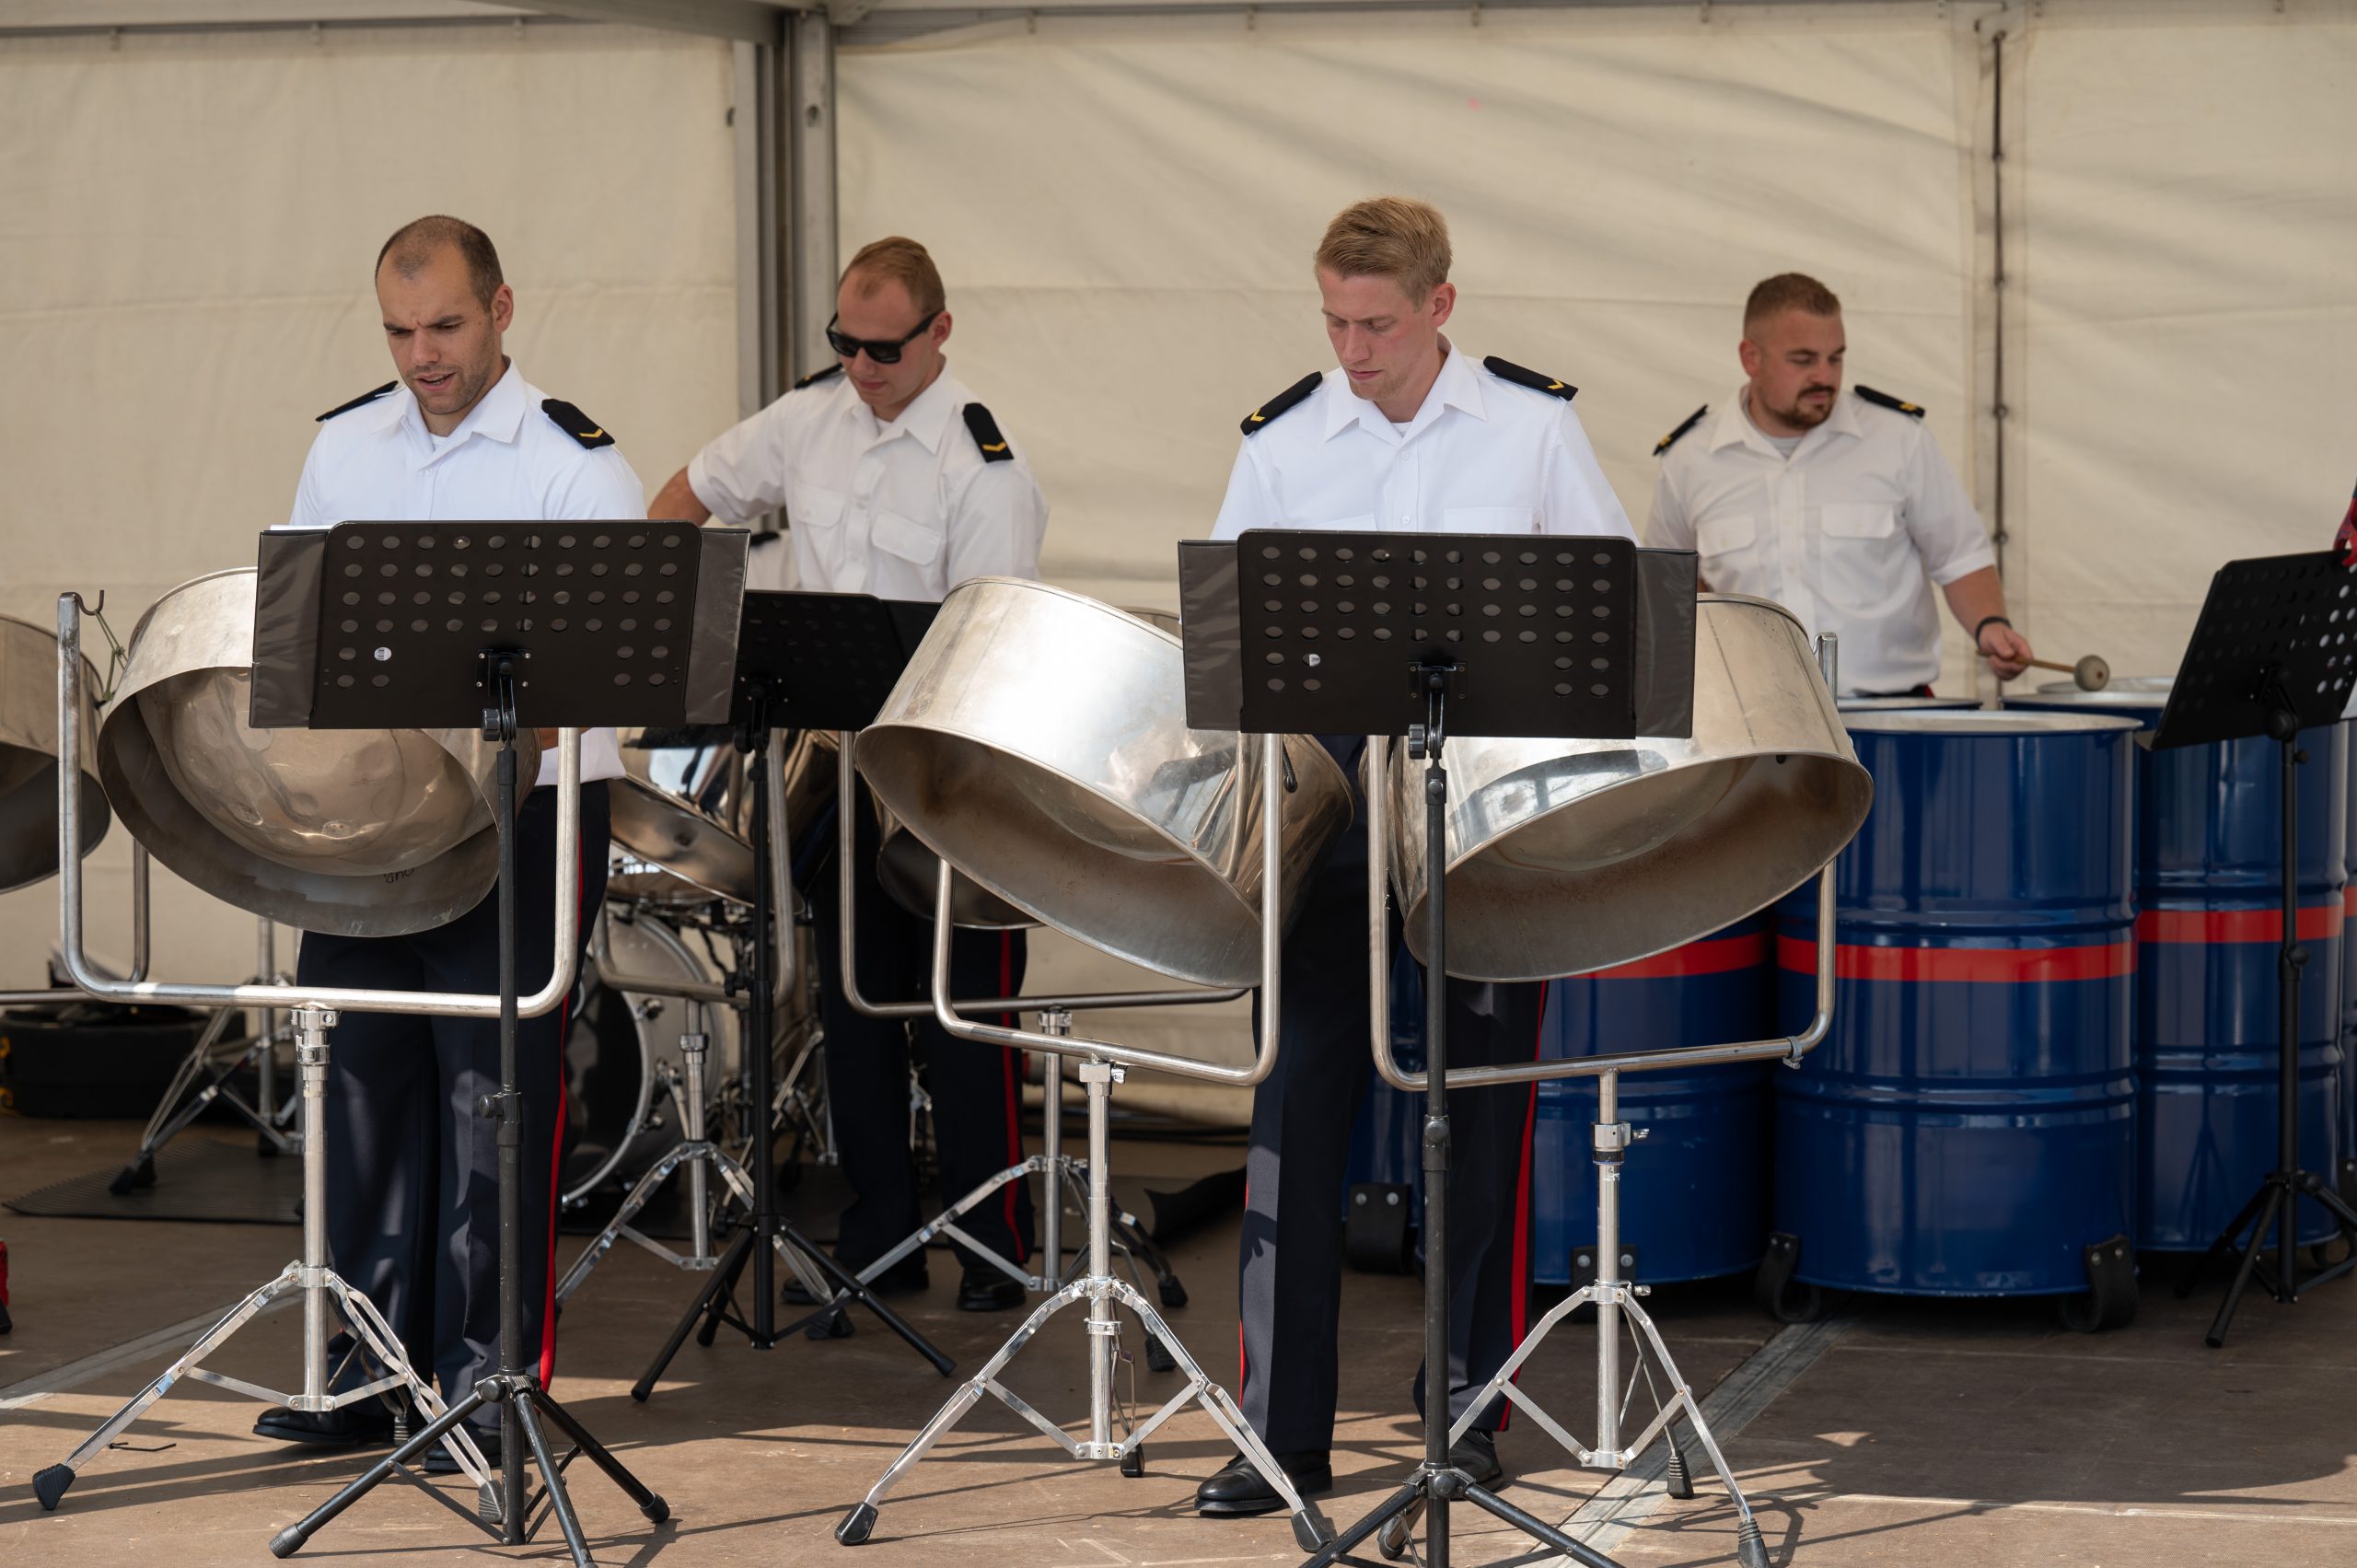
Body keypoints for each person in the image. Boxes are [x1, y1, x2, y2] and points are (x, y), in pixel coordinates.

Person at [1199, 195, 1635, 1516]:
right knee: (1294, 1111)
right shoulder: (1283, 440)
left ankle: (1466, 1409)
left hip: (1485, 801)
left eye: (1376, 325)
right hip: (1331, 796)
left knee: (1480, 1116)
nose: (1351, 350)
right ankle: (1280, 1432)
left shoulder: (1533, 426)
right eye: (1333, 322)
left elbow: (1612, 611)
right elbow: (1225, 641)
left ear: (1441, 306)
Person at [255, 215, 642, 1470]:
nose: (423, 354)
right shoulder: (342, 447)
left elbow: (616, 674)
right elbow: (297, 647)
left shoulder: (575, 467)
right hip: (375, 815)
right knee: (363, 1084)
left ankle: (485, 1388)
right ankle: (368, 1368)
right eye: (399, 330)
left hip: (524, 816)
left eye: (446, 325)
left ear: (501, 309)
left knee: (491, 1100)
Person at [647, 237, 1048, 1312]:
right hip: (839, 765)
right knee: (855, 1015)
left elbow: (993, 645)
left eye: (884, 348)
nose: (862, 366)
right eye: (845, 343)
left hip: (954, 780)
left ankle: (993, 1246)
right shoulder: (806, 419)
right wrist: (661, 608)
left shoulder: (983, 464)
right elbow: (690, 490)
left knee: (964, 1022)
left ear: (939, 332)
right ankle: (879, 1244)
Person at [1644, 272, 2034, 695]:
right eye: (1803, 360)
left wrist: (1990, 625)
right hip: (1755, 718)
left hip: (1892, 716)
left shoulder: (1899, 439)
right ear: (1751, 358)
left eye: (1836, 358)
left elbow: (1960, 557)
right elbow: (1669, 590)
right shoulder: (1689, 460)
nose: (1825, 377)